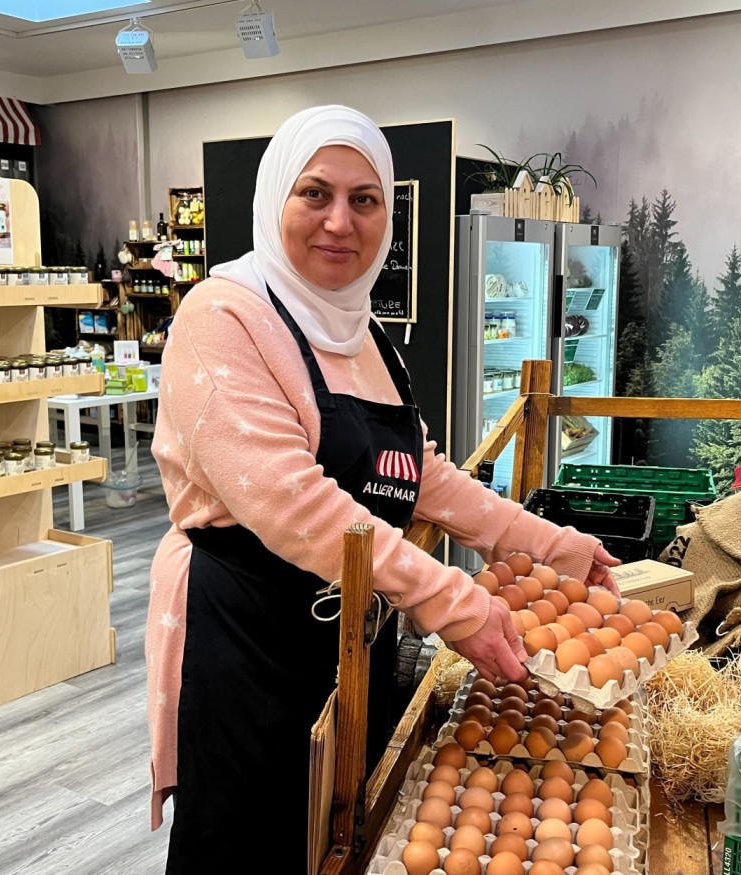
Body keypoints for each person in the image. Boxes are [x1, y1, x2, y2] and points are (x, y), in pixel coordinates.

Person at [144, 105, 619, 872]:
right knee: (248, 840)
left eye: (364, 200)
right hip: (245, 641)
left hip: (346, 638)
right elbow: (293, 503)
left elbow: (419, 474)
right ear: (276, 199)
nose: (340, 221)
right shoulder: (222, 316)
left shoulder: (365, 336)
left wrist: (548, 543)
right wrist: (450, 600)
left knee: (332, 836)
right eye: (315, 194)